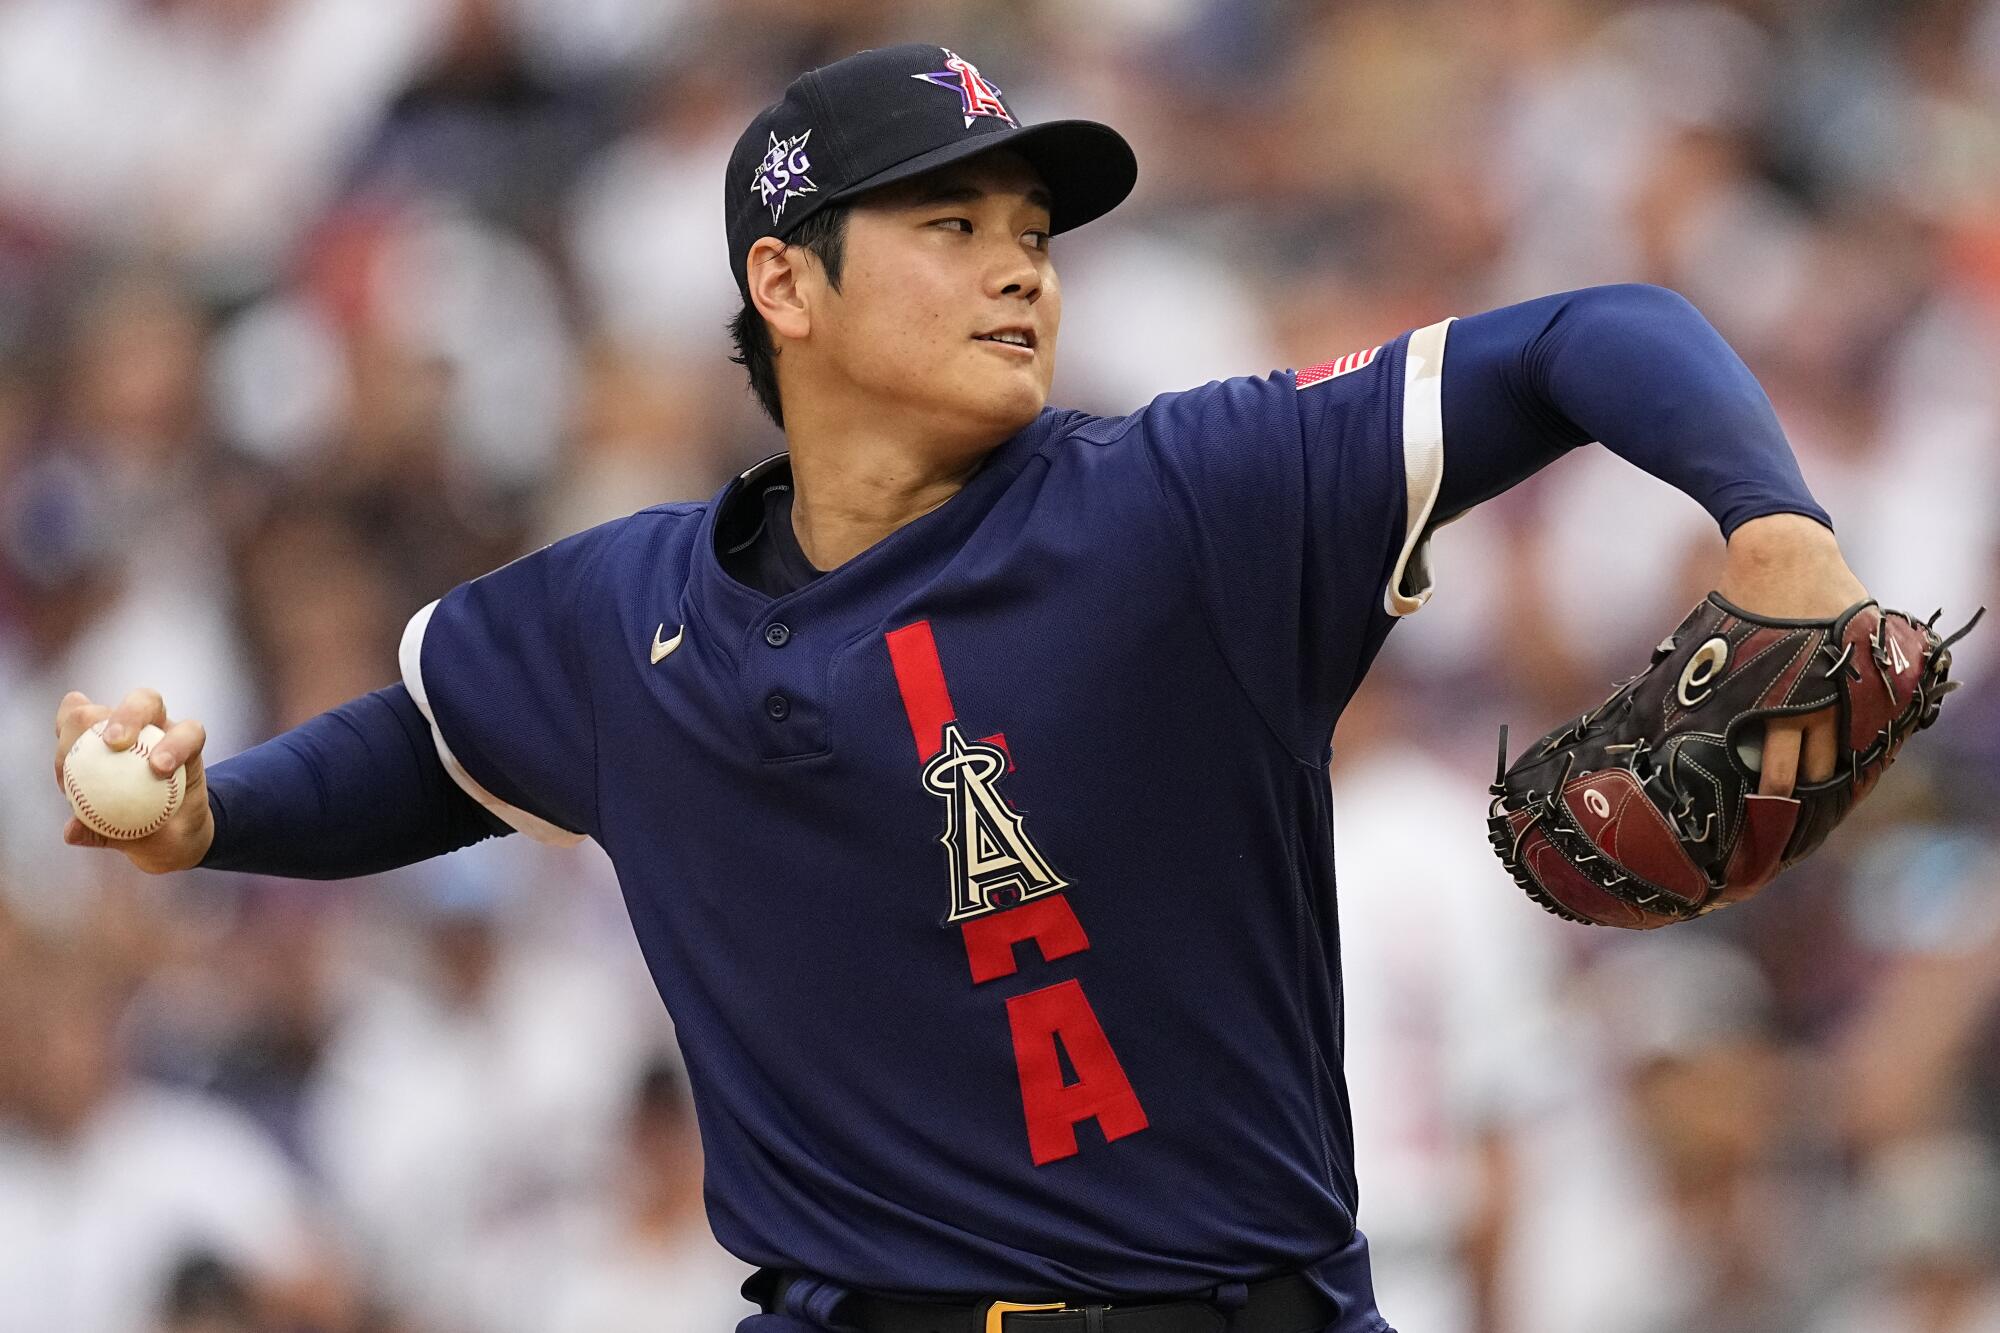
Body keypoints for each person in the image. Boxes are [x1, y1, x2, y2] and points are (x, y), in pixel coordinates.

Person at [54, 42, 1870, 1333]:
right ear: (788, 282)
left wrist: (1773, 523)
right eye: (948, 223)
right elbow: (432, 746)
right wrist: (219, 814)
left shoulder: (1192, 505)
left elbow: (1585, 336)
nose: (1019, 260)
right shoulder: (626, 617)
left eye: (1031, 225)